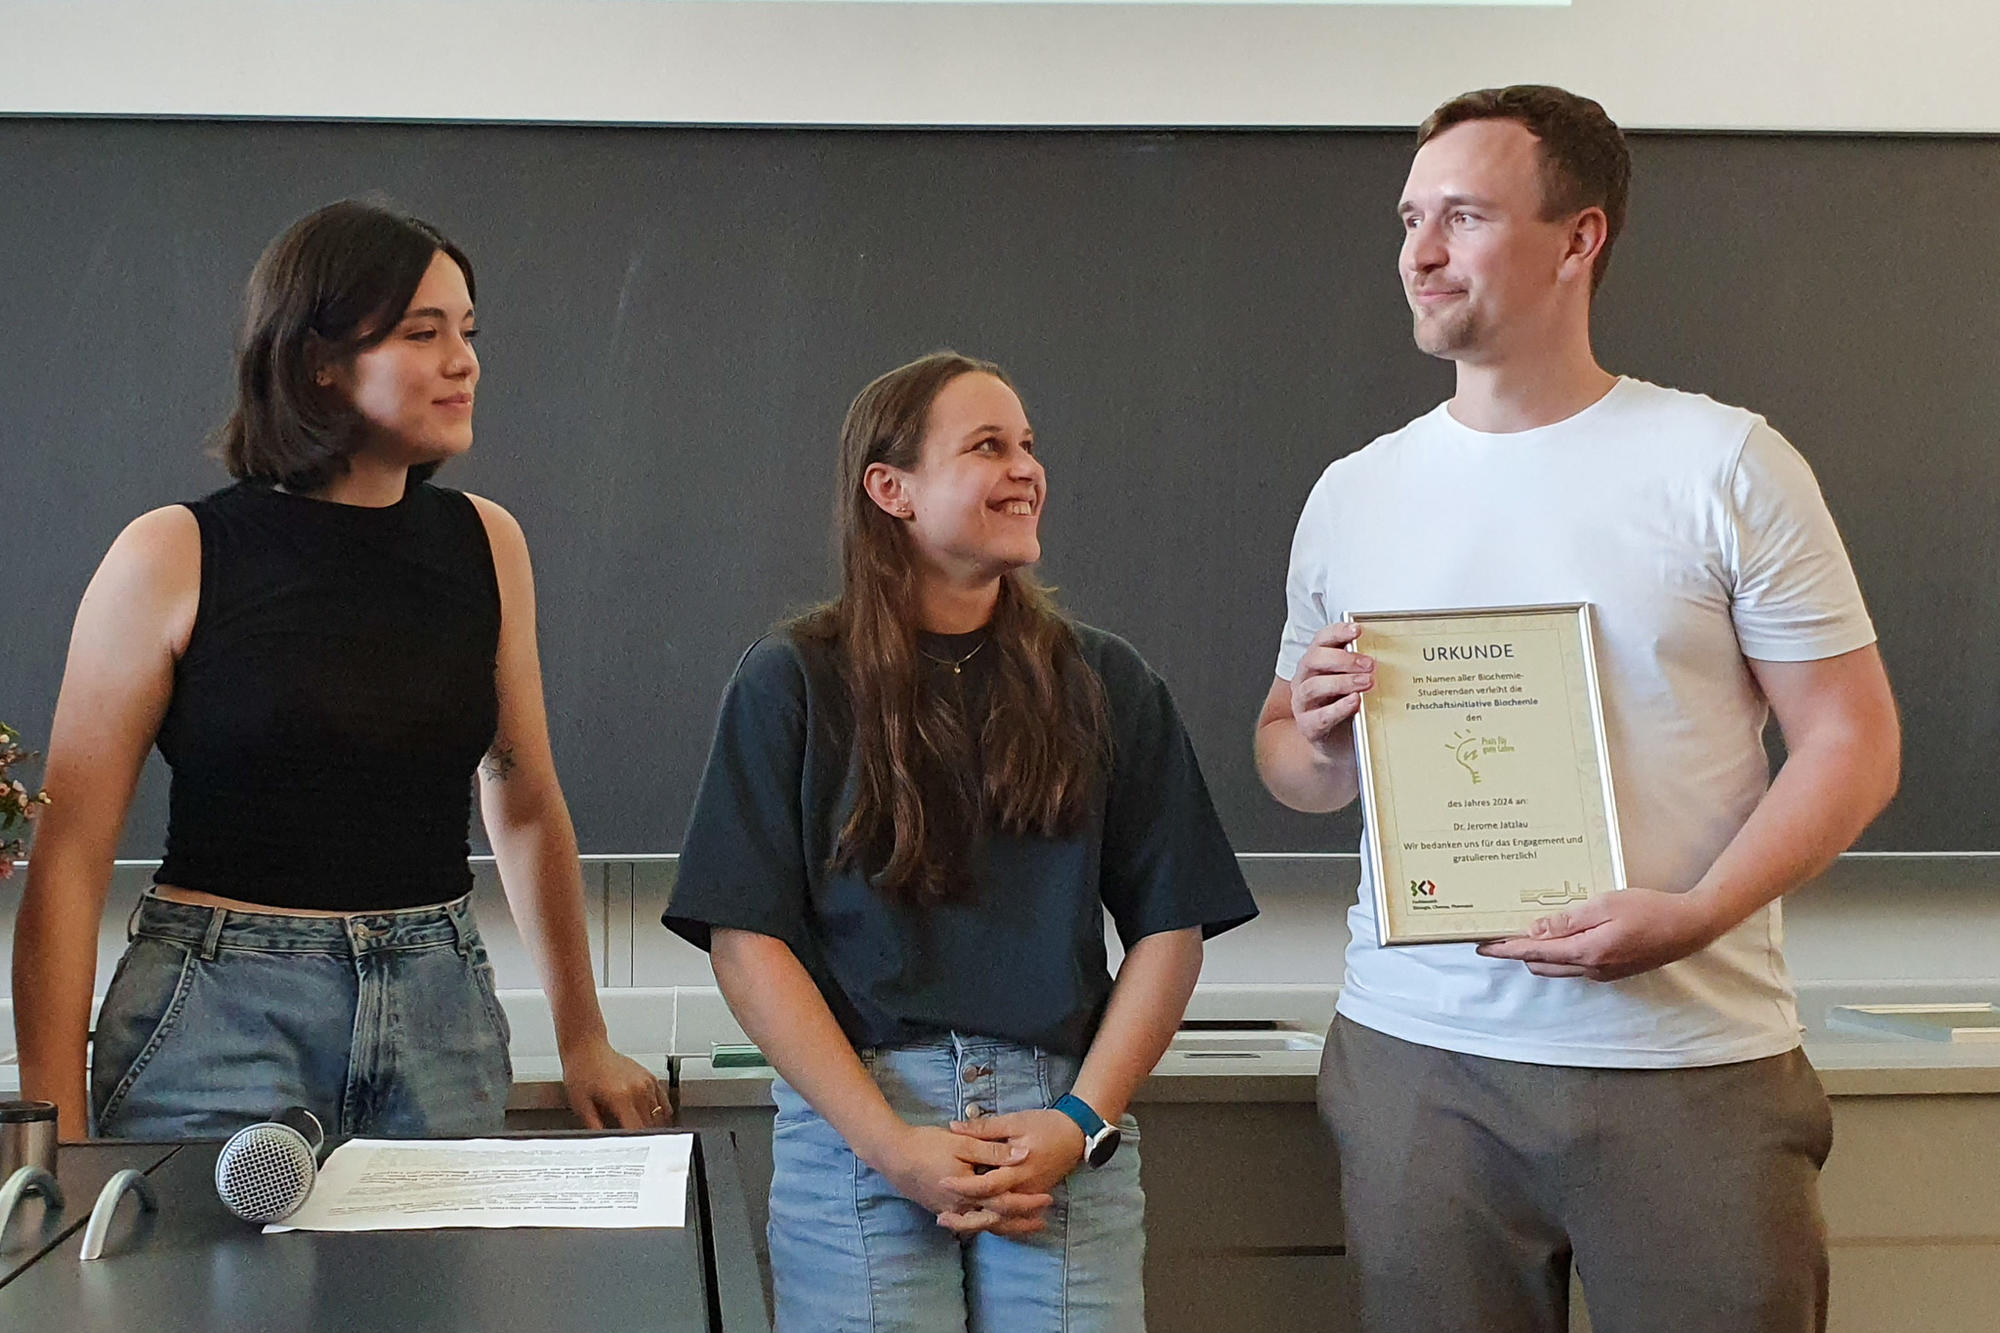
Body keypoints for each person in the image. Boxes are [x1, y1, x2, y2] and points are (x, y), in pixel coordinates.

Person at [1254, 87, 1900, 1333]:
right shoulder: (1354, 491)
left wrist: (1693, 915)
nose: (1418, 252)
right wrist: (1321, 734)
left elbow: (1851, 742)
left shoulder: (1722, 463)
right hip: (1416, 1059)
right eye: (1407, 217)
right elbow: (1288, 758)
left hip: (1683, 1058)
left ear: (1575, 238)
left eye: (1463, 215)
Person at [13, 200, 663, 1141]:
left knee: (429, 1291)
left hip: (438, 1003)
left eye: (468, 332)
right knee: (197, 1292)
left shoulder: (489, 543)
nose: (464, 361)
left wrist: (584, 1035)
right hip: (221, 1007)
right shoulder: (172, 555)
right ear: (317, 361)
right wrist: (54, 1129)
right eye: (421, 332)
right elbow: (70, 856)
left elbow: (522, 799)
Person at [663, 351, 1255, 1331]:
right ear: (888, 489)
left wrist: (1079, 1121)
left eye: (1027, 446)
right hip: (861, 1119)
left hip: (1057, 1122)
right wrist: (890, 1141)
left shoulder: (1104, 679)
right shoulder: (791, 681)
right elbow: (744, 938)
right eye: (987, 446)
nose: (1026, 469)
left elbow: (1171, 927)